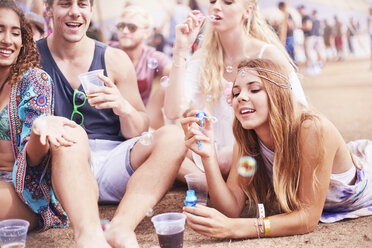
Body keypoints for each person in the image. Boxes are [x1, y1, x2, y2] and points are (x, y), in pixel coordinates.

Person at [37, 0, 187, 247]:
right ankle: (89, 236)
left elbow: (138, 129)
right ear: (49, 9)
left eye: (82, 4)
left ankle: (121, 228)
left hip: (113, 161)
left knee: (174, 136)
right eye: (65, 4)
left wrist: (123, 108)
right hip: (65, 164)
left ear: (91, 10)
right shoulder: (32, 57)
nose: (75, 11)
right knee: (73, 134)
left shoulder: (115, 59)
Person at [181, 58, 372, 239]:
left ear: (277, 93)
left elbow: (307, 218)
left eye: (254, 89)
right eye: (236, 93)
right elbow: (230, 209)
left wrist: (236, 228)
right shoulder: (246, 138)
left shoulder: (312, 128)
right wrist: (208, 157)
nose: (241, 97)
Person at [164, 0, 308, 179]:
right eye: (212, 1)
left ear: (247, 11)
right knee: (167, 145)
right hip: (218, 153)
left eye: (228, 2)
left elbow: (299, 111)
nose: (216, 7)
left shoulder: (267, 55)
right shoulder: (204, 58)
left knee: (219, 158)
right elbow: (172, 110)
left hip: (258, 152)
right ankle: (211, 182)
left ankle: (208, 180)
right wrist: (181, 50)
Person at [0, 0, 76, 235]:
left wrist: (36, 132)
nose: (7, 39)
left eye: (15, 33)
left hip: (24, 190)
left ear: (23, 42)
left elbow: (34, 160)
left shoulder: (34, 81)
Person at [114, 5, 172, 129]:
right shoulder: (107, 52)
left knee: (167, 86)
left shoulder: (151, 55)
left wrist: (181, 51)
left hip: (141, 120)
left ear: (147, 33)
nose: (124, 31)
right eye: (121, 26)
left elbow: (172, 70)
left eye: (132, 27)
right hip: (111, 119)